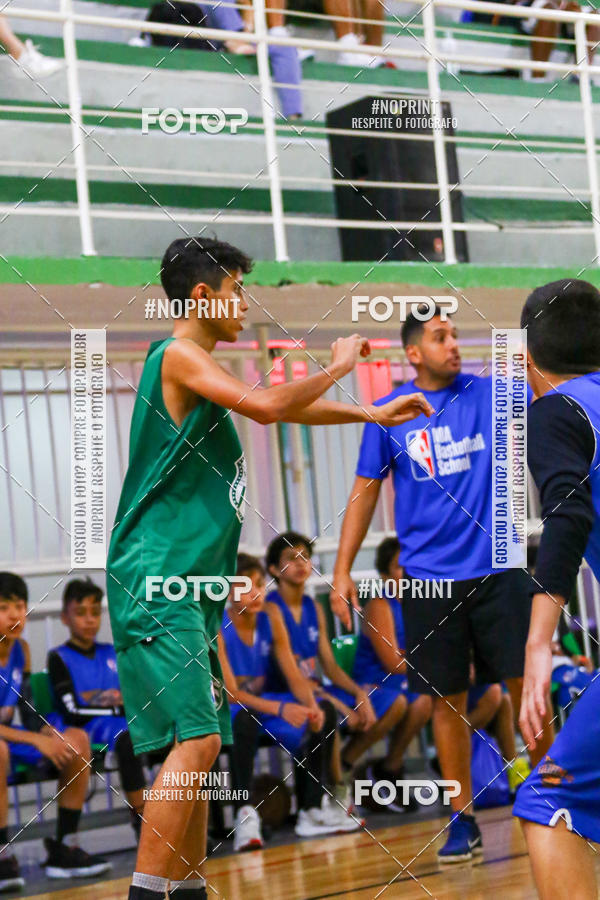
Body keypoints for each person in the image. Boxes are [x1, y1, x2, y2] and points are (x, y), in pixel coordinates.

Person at [106, 235, 432, 900]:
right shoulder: (176, 357)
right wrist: (340, 367)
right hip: (156, 580)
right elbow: (270, 406)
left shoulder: (198, 372)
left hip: (189, 590)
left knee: (201, 749)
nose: (244, 304)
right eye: (236, 289)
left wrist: (368, 410)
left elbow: (291, 407)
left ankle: (188, 891)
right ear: (203, 295)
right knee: (195, 745)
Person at [330, 304, 554, 862]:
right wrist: (340, 571)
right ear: (413, 353)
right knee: (446, 705)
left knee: (529, 689)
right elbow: (364, 493)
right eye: (439, 336)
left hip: (499, 571)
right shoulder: (392, 413)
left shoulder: (491, 394)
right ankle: (461, 821)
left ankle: (557, 797)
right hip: (430, 583)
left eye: (454, 333)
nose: (453, 343)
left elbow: (554, 394)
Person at [513, 279, 600, 900]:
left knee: (548, 798)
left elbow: (567, 512)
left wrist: (539, 644)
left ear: (525, 359)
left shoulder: (556, 410)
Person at [265, 531, 413, 815]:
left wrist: (358, 693)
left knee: (395, 702)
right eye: (290, 559)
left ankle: (346, 765)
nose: (300, 564)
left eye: (305, 557)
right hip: (287, 694)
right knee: (330, 714)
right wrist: (343, 704)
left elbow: (330, 666)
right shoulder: (272, 610)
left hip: (317, 688)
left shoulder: (313, 607)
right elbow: (294, 679)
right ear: (273, 569)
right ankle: (336, 792)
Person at [219, 554, 357, 850]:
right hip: (230, 709)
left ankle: (310, 808)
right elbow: (231, 693)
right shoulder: (216, 625)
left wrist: (311, 705)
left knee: (323, 711)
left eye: (259, 585)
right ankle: (243, 814)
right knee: (243, 718)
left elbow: (294, 676)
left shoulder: (271, 618)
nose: (256, 593)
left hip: (265, 704)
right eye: (246, 587)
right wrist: (282, 708)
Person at [0, 573, 111, 887]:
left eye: (20, 606)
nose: (14, 614)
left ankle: (64, 846)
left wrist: (47, 730)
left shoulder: (21, 648)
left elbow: (27, 707)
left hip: (11, 737)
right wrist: (35, 737)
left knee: (76, 739)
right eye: (4, 606)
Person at [47, 578, 146, 842]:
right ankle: (144, 822)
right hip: (82, 729)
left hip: (120, 725)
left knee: (176, 734)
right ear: (65, 617)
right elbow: (72, 712)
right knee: (130, 739)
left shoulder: (113, 652)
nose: (89, 620)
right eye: (80, 613)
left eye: (95, 612)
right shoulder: (58, 657)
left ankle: (185, 823)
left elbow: (135, 696)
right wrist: (117, 710)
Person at [350, 536, 432, 809]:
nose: (407, 571)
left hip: (407, 680)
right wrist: (427, 662)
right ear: (385, 574)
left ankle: (390, 768)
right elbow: (393, 663)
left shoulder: (419, 602)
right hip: (375, 681)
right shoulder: (379, 605)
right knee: (405, 701)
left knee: (427, 700)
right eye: (399, 567)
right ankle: (344, 764)